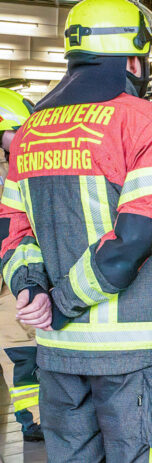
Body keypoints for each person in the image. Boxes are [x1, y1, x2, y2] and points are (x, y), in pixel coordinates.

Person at [0, 0, 152, 463]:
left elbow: (12, 231)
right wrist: (61, 300)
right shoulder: (145, 120)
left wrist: (31, 291)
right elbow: (135, 235)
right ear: (132, 58)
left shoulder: (30, 133)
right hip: (136, 355)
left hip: (59, 355)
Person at [0, 88, 44, 442]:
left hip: (23, 270)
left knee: (34, 349)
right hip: (7, 282)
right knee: (20, 353)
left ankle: (44, 415)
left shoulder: (18, 164)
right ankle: (33, 419)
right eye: (16, 132)